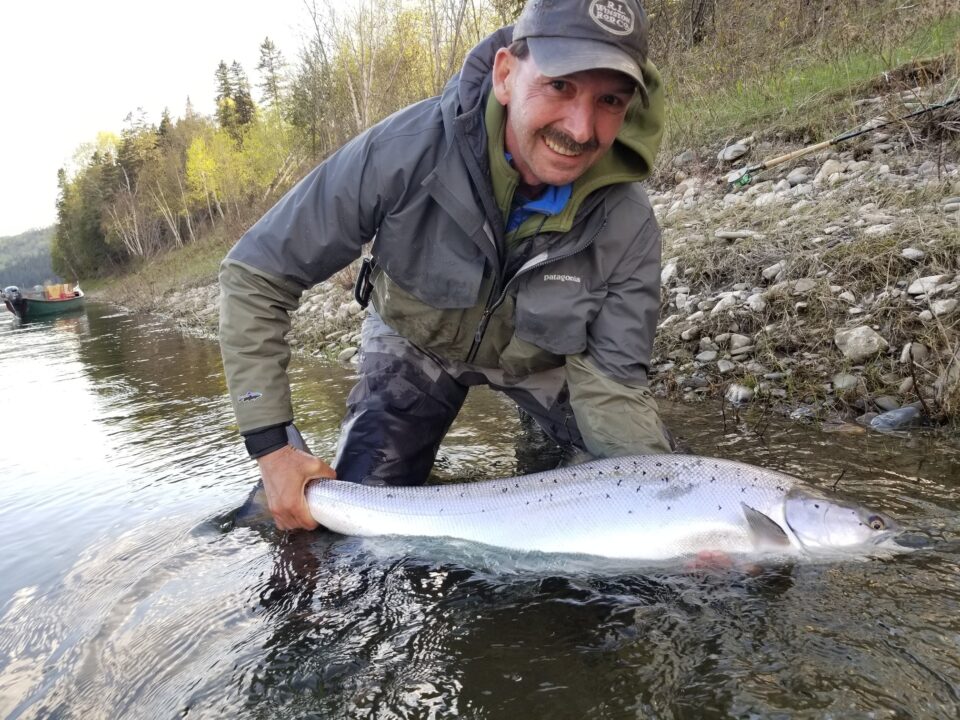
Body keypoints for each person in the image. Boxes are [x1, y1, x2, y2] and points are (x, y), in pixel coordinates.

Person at [219, 0, 674, 531]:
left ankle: (543, 445)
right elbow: (256, 272)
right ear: (506, 75)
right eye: (560, 86)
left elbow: (613, 386)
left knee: (651, 486)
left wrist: (670, 516)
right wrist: (273, 446)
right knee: (356, 520)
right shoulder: (404, 151)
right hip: (416, 344)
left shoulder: (628, 224)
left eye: (609, 100)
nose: (580, 127)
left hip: (544, 366)